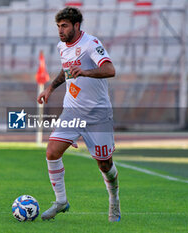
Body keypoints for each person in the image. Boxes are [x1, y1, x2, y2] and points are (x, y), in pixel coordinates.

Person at [37, 7, 120, 222]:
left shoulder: (91, 44)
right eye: (58, 26)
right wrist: (50, 88)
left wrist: (86, 72)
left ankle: (114, 201)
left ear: (76, 25)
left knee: (104, 164)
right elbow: (66, 71)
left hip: (98, 115)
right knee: (52, 152)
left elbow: (110, 70)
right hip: (73, 111)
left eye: (64, 26)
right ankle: (61, 201)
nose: (60, 31)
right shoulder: (62, 47)